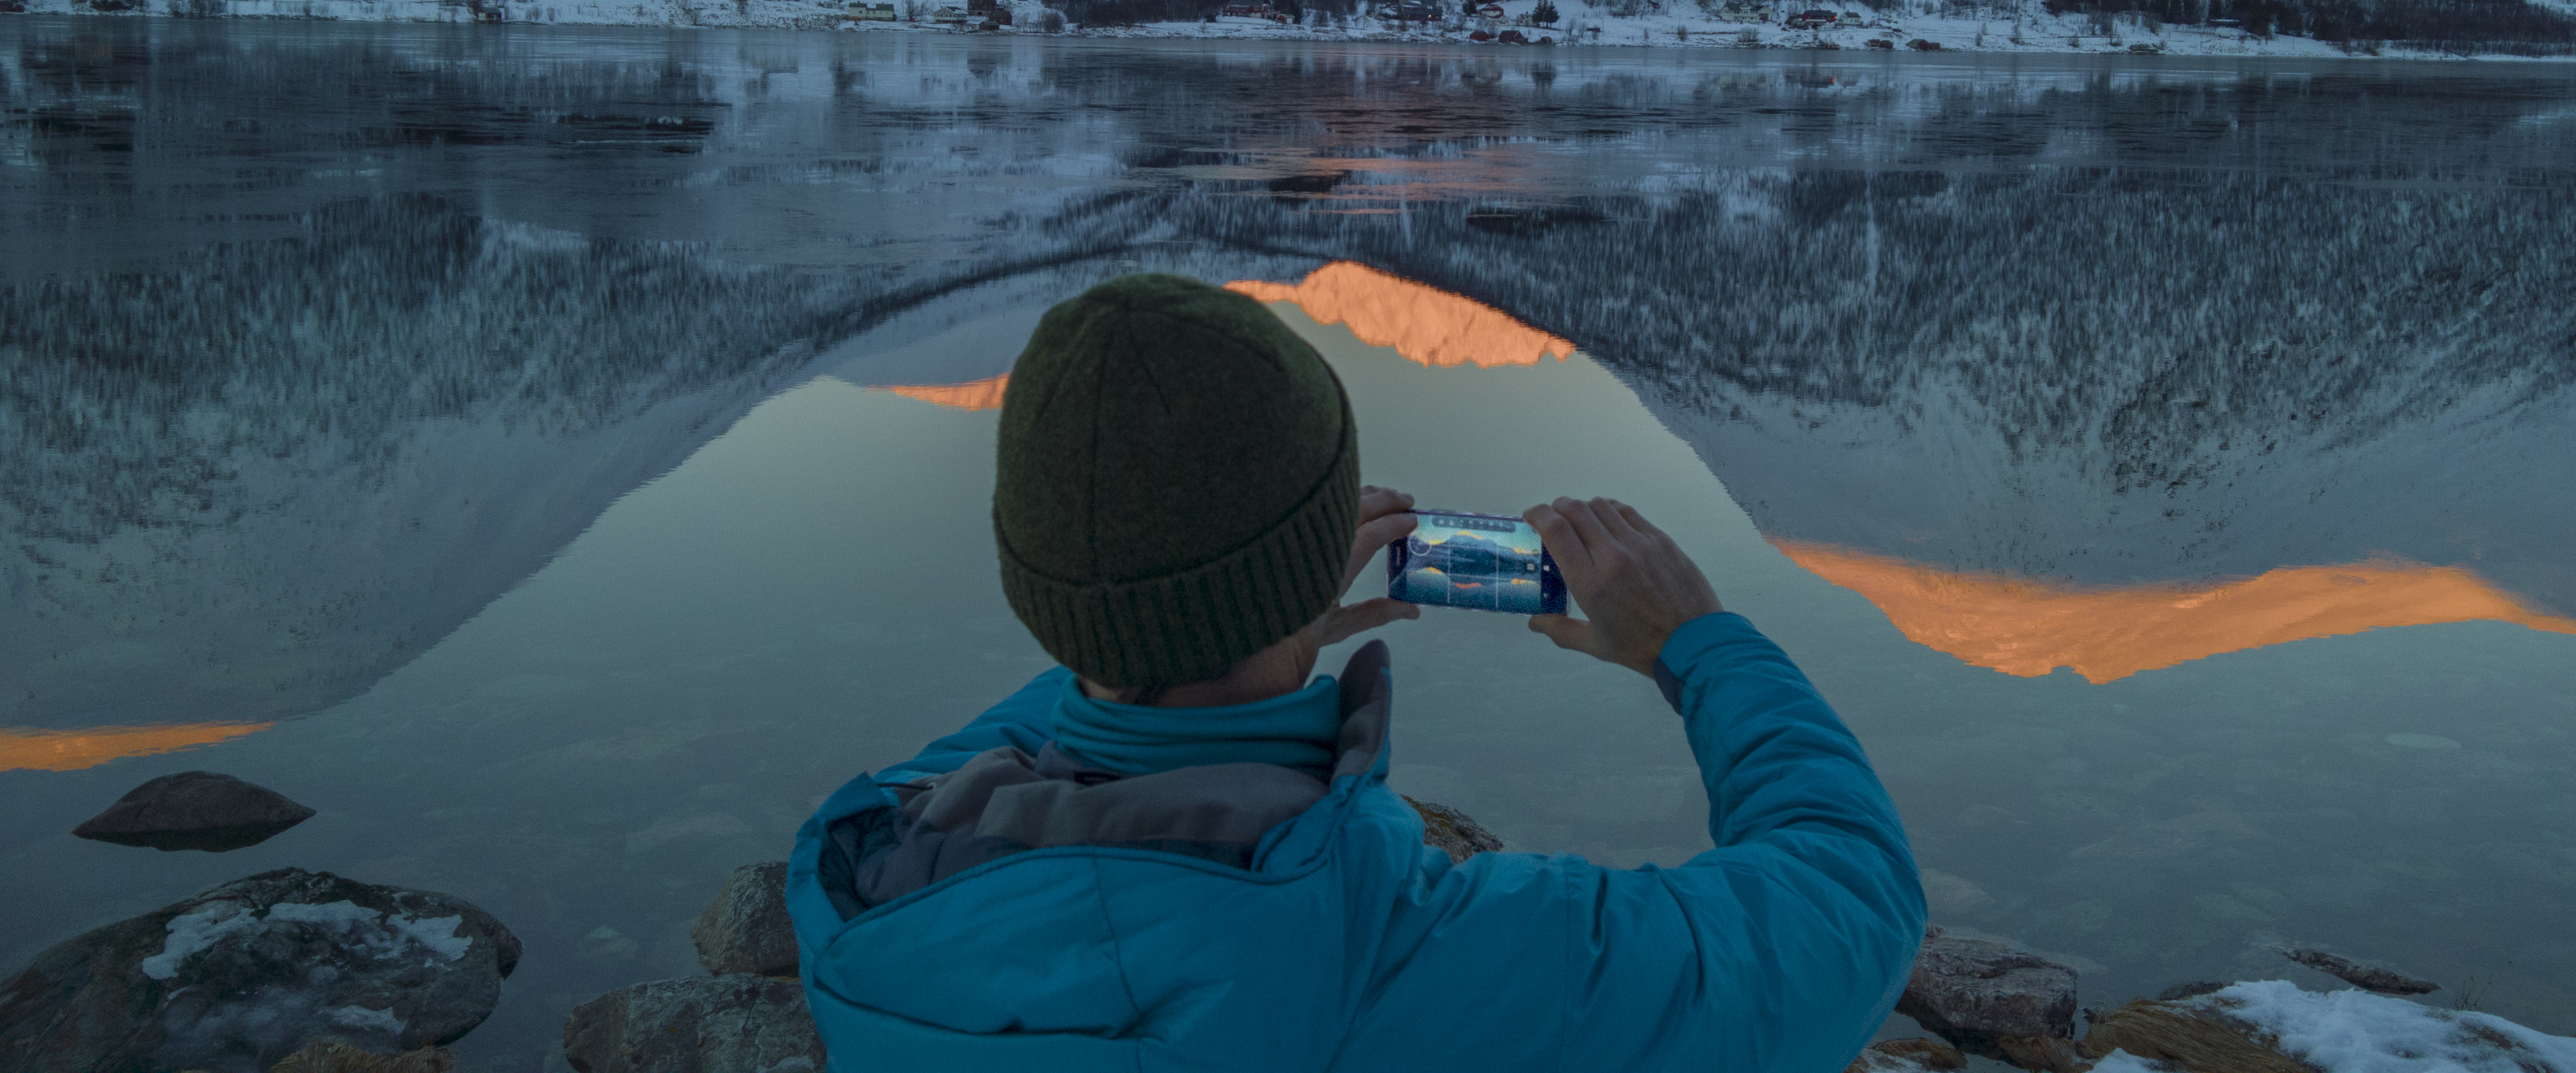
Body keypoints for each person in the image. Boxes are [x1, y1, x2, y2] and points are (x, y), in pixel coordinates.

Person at [786, 273, 1926, 1070]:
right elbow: (1856, 901)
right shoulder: (1396, 960)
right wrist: (1698, 643)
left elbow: (1071, 694)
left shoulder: (861, 874)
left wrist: (1238, 620)